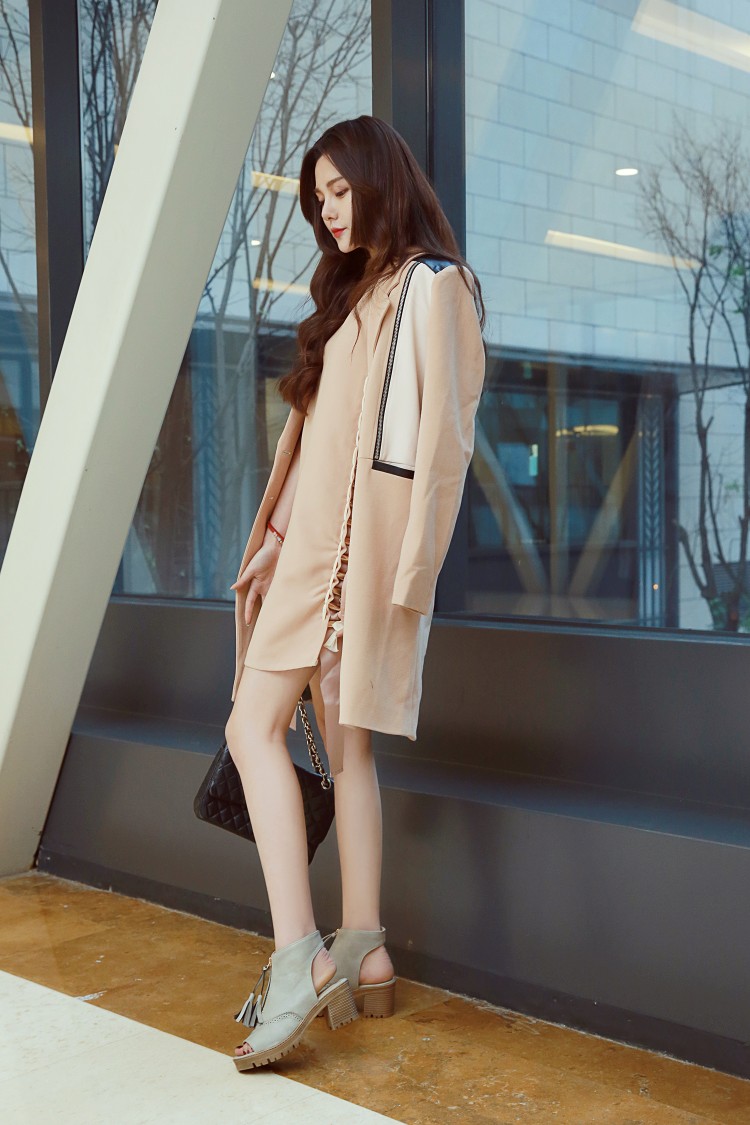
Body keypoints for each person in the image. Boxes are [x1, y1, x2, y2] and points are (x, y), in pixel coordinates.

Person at [224, 115, 486, 1071]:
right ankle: (366, 947)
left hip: (353, 561)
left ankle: (299, 956)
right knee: (346, 753)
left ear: (382, 179)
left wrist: (407, 578)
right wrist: (273, 541)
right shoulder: (355, 290)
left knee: (255, 730)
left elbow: (445, 444)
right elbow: (319, 438)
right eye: (319, 198)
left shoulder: (432, 285)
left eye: (341, 190)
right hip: (311, 555)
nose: (329, 211)